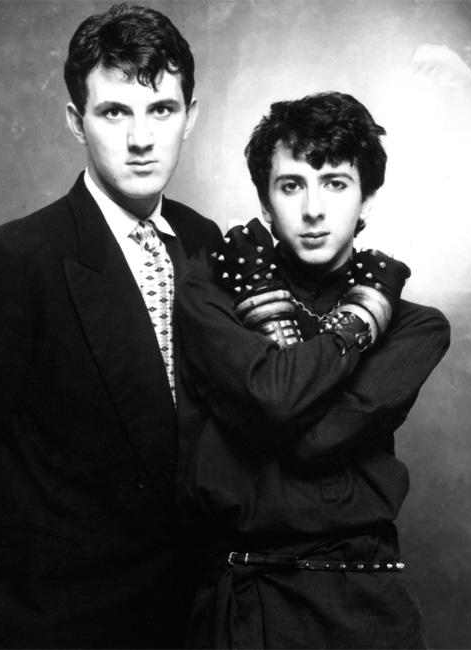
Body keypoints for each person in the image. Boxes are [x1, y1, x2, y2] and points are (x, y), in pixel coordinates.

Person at [0, 4, 221, 648]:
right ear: (77, 122)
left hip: (187, 611)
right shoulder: (14, 259)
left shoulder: (202, 239)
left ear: (191, 115)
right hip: (51, 614)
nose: (141, 138)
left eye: (161, 110)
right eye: (115, 112)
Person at [175, 91, 451, 648]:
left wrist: (282, 389)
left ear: (367, 200)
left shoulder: (416, 326)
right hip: (247, 602)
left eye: (336, 184)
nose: (313, 209)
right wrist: (360, 319)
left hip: (367, 606)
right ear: (265, 201)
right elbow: (276, 400)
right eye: (291, 185)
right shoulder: (210, 293)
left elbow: (314, 440)